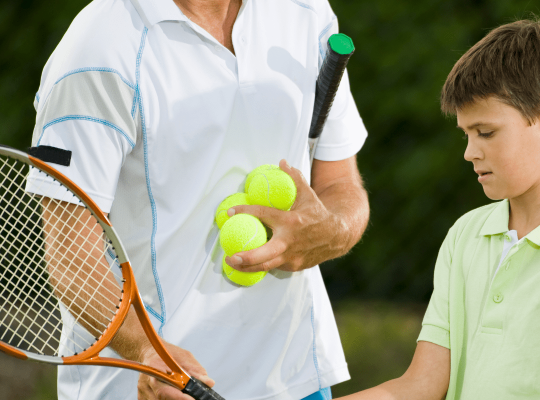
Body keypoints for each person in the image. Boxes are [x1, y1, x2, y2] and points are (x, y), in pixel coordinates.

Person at [30, 0, 370, 399]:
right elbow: (71, 252)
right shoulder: (98, 46)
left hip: (293, 380)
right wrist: (146, 351)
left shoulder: (307, 12)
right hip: (145, 386)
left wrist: (335, 229)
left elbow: (340, 183)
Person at [337, 18, 540, 400]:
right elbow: (419, 386)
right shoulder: (465, 235)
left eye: (486, 132)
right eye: (466, 134)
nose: (470, 152)